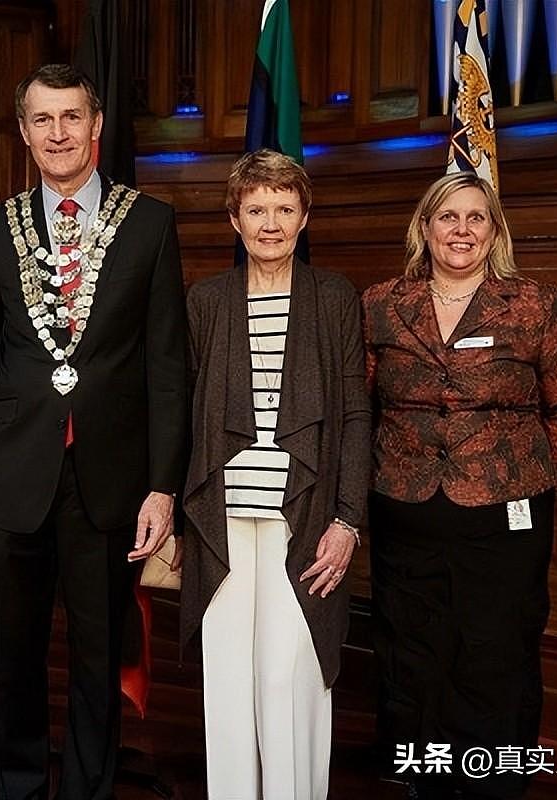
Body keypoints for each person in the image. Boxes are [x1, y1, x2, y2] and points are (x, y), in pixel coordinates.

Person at [0, 63, 188, 800]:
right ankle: (19, 786)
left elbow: (168, 367)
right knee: (14, 657)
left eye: (72, 117)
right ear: (23, 133)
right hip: (9, 477)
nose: (59, 133)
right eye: (43, 120)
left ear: (97, 125)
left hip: (110, 482)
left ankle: (90, 788)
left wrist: (162, 486)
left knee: (97, 655)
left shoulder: (150, 223)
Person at [362, 172, 557, 800]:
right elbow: (362, 399)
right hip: (404, 505)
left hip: (504, 511)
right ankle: (423, 773)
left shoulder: (536, 304)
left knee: (495, 645)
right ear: (425, 226)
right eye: (448, 217)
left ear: (495, 232)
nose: (461, 230)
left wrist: (519, 467)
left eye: (476, 218)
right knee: (411, 642)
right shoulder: (382, 302)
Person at [180, 149, 371, 800]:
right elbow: (185, 416)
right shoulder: (205, 300)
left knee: (291, 679)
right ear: (234, 218)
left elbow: (354, 416)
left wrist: (348, 520)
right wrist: (180, 519)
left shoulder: (334, 296)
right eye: (256, 209)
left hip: (309, 518)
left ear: (304, 215)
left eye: (284, 209)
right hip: (223, 520)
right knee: (229, 680)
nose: (270, 223)